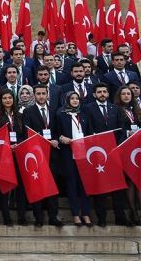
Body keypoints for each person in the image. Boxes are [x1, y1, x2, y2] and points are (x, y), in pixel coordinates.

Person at [84, 82, 131, 227]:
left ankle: (120, 216)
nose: (102, 94)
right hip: (97, 154)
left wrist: (117, 147)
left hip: (114, 153)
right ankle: (101, 217)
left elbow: (122, 130)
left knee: (118, 186)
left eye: (104, 91)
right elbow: (88, 130)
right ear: (94, 94)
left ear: (108, 93)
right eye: (99, 92)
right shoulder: (88, 108)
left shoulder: (115, 108)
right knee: (100, 186)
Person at [21, 84, 64, 227]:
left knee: (52, 186)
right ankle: (38, 217)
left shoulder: (53, 112)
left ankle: (53, 216)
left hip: (51, 154)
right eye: (38, 94)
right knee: (36, 185)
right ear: (34, 96)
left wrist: (56, 140)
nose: (41, 96)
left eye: (43, 93)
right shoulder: (28, 112)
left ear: (47, 95)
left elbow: (57, 131)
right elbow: (27, 133)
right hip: (36, 155)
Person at [56, 90, 94, 227]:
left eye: (77, 98)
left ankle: (86, 214)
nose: (75, 101)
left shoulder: (84, 116)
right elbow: (56, 133)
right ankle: (75, 215)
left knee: (85, 186)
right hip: (69, 155)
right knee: (71, 186)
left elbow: (90, 133)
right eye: (72, 98)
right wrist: (62, 138)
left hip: (83, 156)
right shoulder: (60, 116)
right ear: (67, 100)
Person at [0, 89, 26, 226]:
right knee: (4, 187)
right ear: (1, 100)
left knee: (21, 187)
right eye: (4, 98)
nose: (7, 100)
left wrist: (18, 144)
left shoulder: (19, 116)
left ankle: (22, 216)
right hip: (4, 155)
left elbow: (24, 134)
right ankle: (6, 216)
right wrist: (7, 146)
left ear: (13, 99)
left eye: (10, 98)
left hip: (19, 153)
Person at [113, 85, 141, 224]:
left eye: (128, 94)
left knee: (138, 179)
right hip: (125, 148)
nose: (126, 96)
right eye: (123, 93)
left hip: (137, 149)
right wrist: (127, 132)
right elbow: (116, 128)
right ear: (119, 96)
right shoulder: (116, 110)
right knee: (130, 179)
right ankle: (134, 213)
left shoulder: (137, 110)